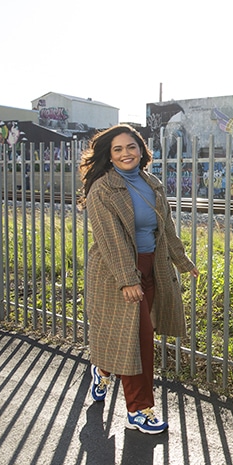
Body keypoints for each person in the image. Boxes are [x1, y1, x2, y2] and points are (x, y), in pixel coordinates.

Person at [79, 124, 198, 434]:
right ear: (109, 155)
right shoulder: (102, 189)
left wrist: (182, 261)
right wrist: (127, 279)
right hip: (116, 273)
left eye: (130, 147)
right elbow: (111, 239)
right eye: (117, 149)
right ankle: (139, 411)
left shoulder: (152, 184)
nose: (125, 154)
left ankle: (102, 370)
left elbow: (166, 228)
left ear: (141, 150)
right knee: (138, 340)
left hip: (151, 268)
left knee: (124, 338)